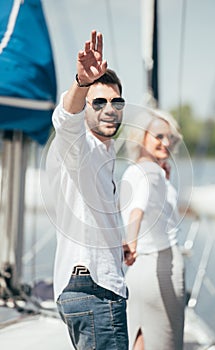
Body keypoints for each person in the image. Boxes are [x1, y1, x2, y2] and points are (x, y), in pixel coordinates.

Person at [46, 30, 134, 350]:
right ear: (86, 107)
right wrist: (81, 83)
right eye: (98, 102)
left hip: (83, 285)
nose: (109, 109)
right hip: (94, 290)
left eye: (116, 101)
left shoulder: (104, 153)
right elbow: (65, 121)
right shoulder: (81, 148)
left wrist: (116, 244)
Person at [119, 109, 185, 350]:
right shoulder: (153, 172)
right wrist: (131, 243)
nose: (166, 143)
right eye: (159, 136)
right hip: (163, 268)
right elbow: (138, 209)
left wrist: (166, 182)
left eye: (171, 138)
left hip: (136, 274)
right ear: (141, 137)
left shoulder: (132, 170)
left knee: (139, 339)